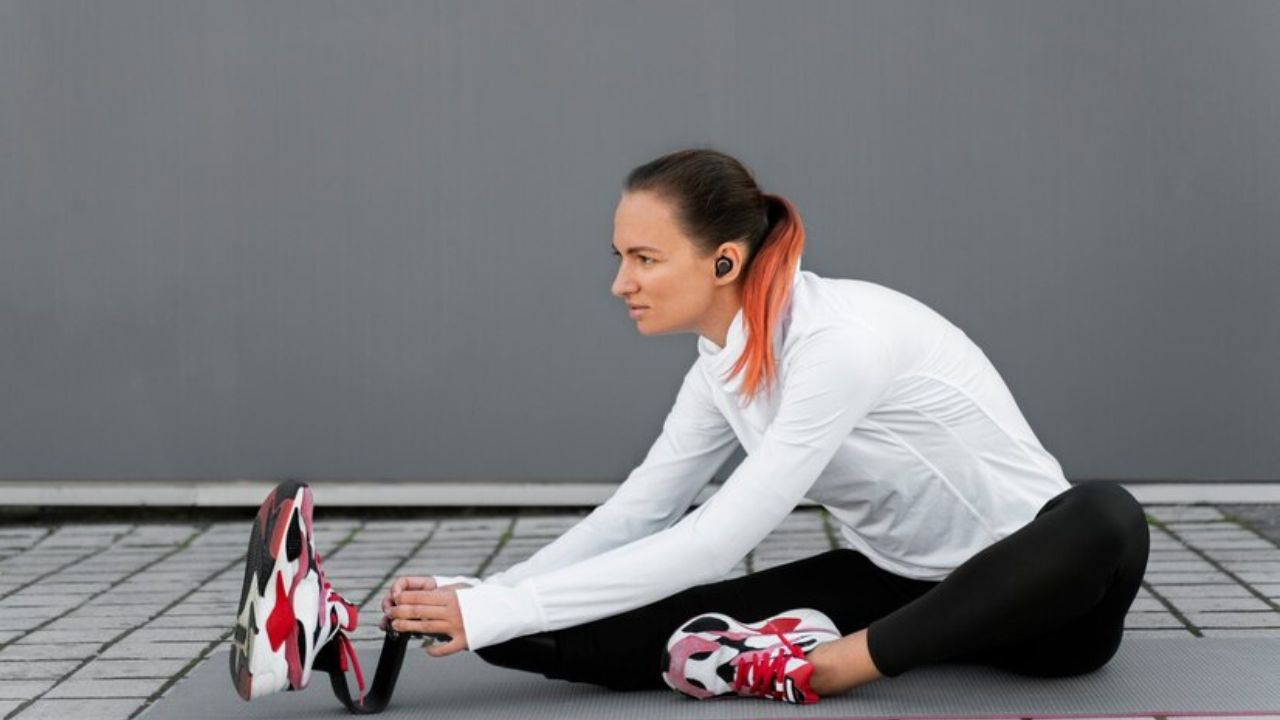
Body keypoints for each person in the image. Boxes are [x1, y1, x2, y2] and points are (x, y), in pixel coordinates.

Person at [379, 148, 1151, 705]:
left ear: (722, 263)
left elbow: (719, 537)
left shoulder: (837, 342)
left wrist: (500, 602)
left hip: (1038, 604)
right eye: (619, 257)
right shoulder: (720, 366)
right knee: (626, 631)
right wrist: (482, 599)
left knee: (1105, 513)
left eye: (644, 258)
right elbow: (640, 512)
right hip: (901, 588)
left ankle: (833, 668)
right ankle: (340, 628)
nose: (621, 283)